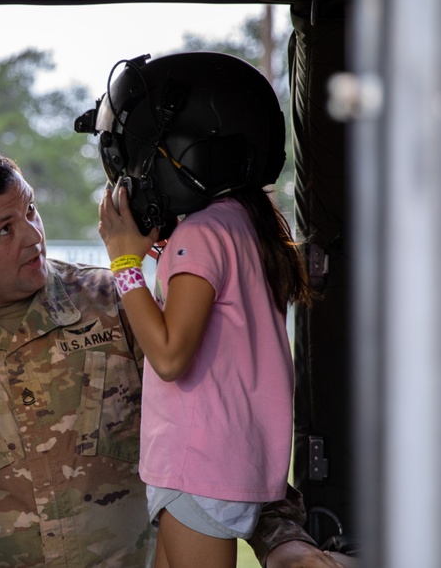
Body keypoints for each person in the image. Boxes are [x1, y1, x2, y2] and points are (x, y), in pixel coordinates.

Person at [0, 113, 344, 567]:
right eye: (4, 230)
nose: (33, 237)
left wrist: (283, 540)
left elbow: (218, 427)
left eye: (32, 212)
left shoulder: (112, 302)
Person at [92, 51, 314, 568]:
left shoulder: (202, 232)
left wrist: (124, 260)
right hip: (227, 461)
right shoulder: (245, 224)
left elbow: (170, 355)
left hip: (198, 463)